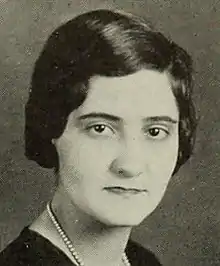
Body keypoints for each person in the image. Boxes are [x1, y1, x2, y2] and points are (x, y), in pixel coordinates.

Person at [0, 9, 197, 266]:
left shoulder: (141, 261)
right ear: (51, 129)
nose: (130, 165)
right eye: (100, 128)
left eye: (155, 132)